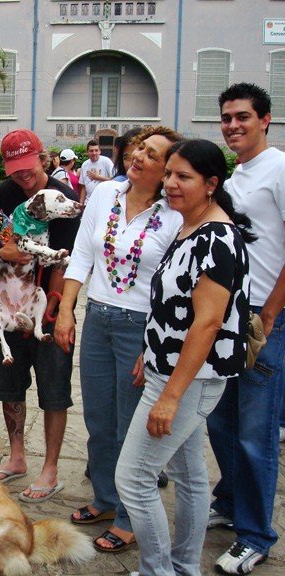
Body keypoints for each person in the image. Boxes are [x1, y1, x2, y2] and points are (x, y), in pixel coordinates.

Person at [116, 138, 254, 576]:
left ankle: (160, 571)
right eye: (170, 174)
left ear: (211, 184)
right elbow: (174, 309)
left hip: (189, 380)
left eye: (184, 177)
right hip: (169, 370)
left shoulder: (217, 239)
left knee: (134, 479)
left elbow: (207, 324)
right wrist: (149, 350)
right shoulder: (188, 226)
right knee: (191, 475)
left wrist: (171, 396)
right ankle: (183, 567)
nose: (171, 184)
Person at [55, 126, 183, 553]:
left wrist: (152, 343)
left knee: (132, 426)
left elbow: (174, 287)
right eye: (140, 149)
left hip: (141, 326)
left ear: (168, 170)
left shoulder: (175, 214)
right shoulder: (106, 193)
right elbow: (83, 255)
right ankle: (106, 500)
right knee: (99, 419)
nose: (140, 157)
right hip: (99, 317)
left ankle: (131, 517)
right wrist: (68, 310)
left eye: (153, 154)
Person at [206, 82, 285, 575]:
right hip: (229, 313)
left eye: (243, 117)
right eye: (227, 118)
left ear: (265, 120)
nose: (233, 125)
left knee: (256, 431)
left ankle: (255, 535)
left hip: (264, 316)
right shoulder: (234, 179)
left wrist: (271, 313)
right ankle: (232, 501)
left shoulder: (279, 169)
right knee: (220, 419)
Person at [0, 129, 79, 502]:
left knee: (54, 389)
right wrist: (4, 253)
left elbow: (69, 260)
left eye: (28, 165)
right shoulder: (3, 193)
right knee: (9, 385)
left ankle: (50, 468)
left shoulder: (61, 198)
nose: (23, 174)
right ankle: (17, 455)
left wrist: (55, 306)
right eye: (14, 167)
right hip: (8, 303)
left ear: (44, 158)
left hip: (47, 305)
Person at [78, 139, 114, 206]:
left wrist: (98, 177)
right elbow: (83, 187)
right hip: (88, 202)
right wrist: (81, 203)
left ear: (100, 151)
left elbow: (115, 179)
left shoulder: (106, 161)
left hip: (103, 202)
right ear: (87, 152)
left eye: (96, 150)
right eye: (91, 151)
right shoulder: (85, 165)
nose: (94, 153)